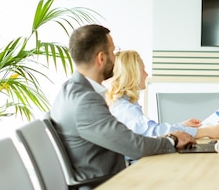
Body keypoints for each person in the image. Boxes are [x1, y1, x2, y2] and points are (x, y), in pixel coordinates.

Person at [50, 24, 196, 184]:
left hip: (110, 174)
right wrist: (172, 140)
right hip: (108, 181)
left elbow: (127, 139)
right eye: (113, 51)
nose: (115, 57)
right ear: (101, 58)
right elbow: (135, 146)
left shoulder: (69, 90)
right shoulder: (85, 102)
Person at [106, 50, 219, 140]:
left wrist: (181, 126)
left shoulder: (123, 104)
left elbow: (151, 130)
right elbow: (155, 132)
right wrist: (204, 132)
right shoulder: (126, 110)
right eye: (143, 70)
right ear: (132, 75)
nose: (146, 74)